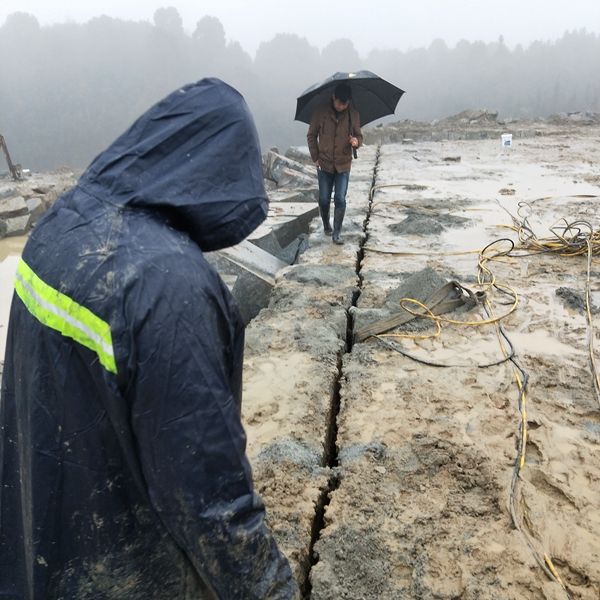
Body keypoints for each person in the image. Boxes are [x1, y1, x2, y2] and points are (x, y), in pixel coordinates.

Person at [0, 79, 298, 600]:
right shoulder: (166, 285)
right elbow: (210, 500)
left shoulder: (59, 228)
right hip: (127, 568)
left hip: (43, 543)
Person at [307, 82, 362, 245]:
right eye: (339, 103)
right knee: (324, 199)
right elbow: (311, 135)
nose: (341, 107)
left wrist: (356, 141)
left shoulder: (353, 114)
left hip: (343, 164)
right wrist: (315, 156)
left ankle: (337, 233)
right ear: (333, 98)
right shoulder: (320, 112)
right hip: (324, 164)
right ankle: (326, 224)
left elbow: (360, 136)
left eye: (345, 104)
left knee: (340, 198)